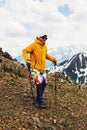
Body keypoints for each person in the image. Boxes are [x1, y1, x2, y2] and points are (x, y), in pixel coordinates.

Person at [22, 35, 56, 108]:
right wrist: (27, 60)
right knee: (39, 82)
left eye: (46, 38)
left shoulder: (45, 47)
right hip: (34, 68)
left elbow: (45, 55)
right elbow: (24, 51)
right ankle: (40, 100)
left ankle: (39, 97)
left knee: (44, 83)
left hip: (42, 69)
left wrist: (53, 59)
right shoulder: (34, 45)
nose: (44, 39)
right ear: (39, 37)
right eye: (43, 38)